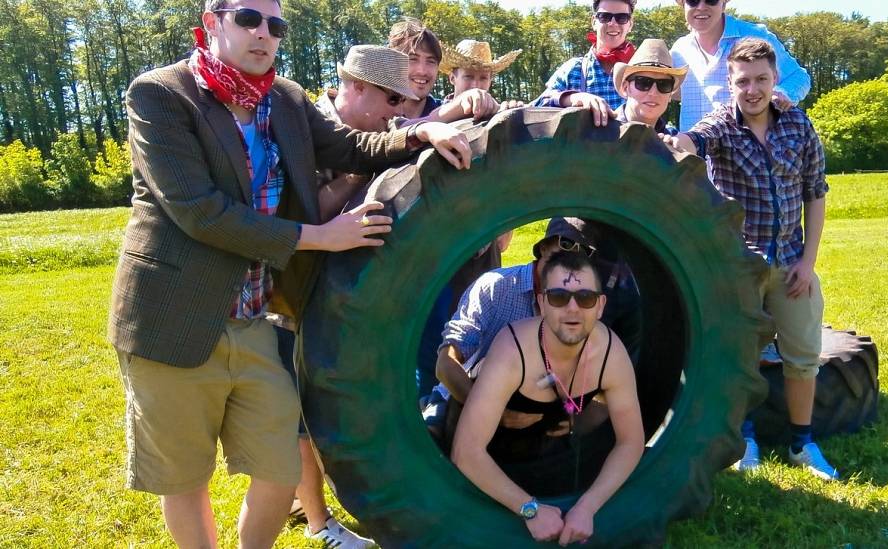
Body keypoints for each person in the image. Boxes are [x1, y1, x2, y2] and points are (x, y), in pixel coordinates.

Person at [107, 0, 472, 544]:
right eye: (248, 19)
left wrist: (420, 135)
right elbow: (198, 211)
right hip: (174, 319)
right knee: (186, 479)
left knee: (278, 470)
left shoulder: (285, 98)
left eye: (275, 25)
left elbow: (352, 147)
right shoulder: (161, 94)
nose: (264, 33)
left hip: (255, 317)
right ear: (212, 22)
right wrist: (320, 236)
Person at [662, 38, 837, 481]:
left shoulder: (797, 123)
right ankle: (745, 440)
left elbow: (815, 192)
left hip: (791, 262)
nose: (752, 90)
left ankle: (802, 444)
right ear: (730, 83)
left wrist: (808, 262)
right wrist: (673, 142)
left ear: (775, 79)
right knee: (740, 356)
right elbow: (693, 140)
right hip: (740, 268)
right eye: (743, 81)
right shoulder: (722, 124)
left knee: (803, 356)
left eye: (761, 79)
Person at [276, 44, 422, 548]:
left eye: (404, 101)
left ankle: (304, 500)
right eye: (391, 98)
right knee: (298, 417)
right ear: (356, 86)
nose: (397, 110)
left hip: (331, 292)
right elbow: (306, 214)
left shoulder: (368, 132)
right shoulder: (307, 127)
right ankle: (320, 524)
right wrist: (360, 176)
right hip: (287, 297)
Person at [452, 251, 644, 545]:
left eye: (585, 298)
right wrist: (529, 509)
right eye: (558, 297)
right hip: (486, 467)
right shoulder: (512, 351)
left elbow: (631, 442)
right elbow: (466, 452)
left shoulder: (610, 355)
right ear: (541, 303)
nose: (572, 309)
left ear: (600, 306)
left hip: (546, 455)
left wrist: (587, 507)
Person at [429, 219, 641, 440]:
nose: (572, 259)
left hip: (531, 425)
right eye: (567, 245)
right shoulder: (495, 288)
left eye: (583, 253)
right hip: (464, 402)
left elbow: (599, 388)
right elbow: (445, 365)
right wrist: (493, 411)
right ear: (544, 247)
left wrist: (574, 417)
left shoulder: (581, 308)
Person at [670, 0, 810, 131]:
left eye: (711, 0)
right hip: (692, 147)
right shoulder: (679, 50)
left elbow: (799, 77)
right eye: (693, 1)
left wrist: (781, 93)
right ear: (683, 5)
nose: (701, 7)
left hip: (748, 147)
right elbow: (671, 94)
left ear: (724, 3)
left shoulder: (757, 36)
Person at [535, 0, 638, 127]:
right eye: (605, 17)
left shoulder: (641, 71)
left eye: (621, 18)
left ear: (630, 24)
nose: (612, 23)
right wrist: (572, 98)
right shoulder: (574, 69)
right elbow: (538, 105)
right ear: (594, 22)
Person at [611, 38, 687, 134]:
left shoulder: (674, 139)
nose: (653, 92)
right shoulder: (599, 133)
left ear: (670, 95)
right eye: (643, 83)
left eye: (664, 84)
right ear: (625, 88)